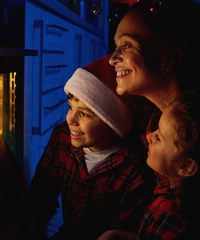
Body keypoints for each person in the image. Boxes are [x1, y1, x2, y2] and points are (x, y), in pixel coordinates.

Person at [23, 54, 157, 240]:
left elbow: (121, 231)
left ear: (113, 126)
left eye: (84, 114)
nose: (70, 119)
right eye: (70, 107)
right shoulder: (62, 137)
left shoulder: (134, 168)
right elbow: (42, 194)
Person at [97, 98, 200, 240]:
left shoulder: (171, 213)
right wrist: (114, 234)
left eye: (159, 138)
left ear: (185, 167)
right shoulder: (167, 186)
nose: (149, 136)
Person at [108, 0, 200, 139]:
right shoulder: (149, 127)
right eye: (116, 47)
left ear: (172, 54)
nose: (112, 59)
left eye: (127, 45)